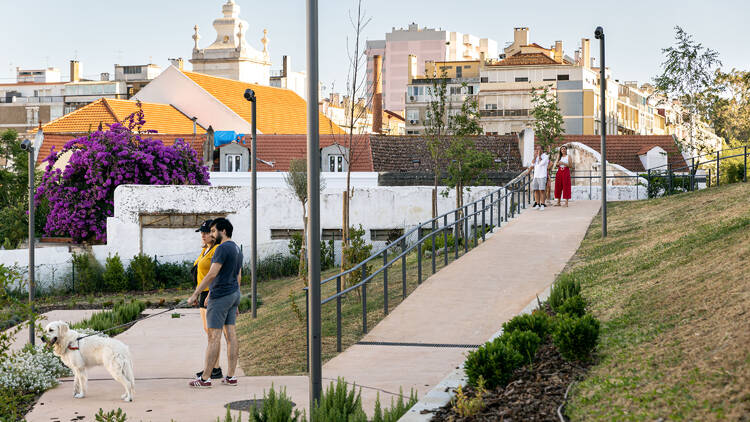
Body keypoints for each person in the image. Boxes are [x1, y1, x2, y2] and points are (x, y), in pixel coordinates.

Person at [188, 217, 243, 388]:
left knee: (213, 337)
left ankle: (205, 378)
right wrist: (237, 298)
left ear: (223, 231)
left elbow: (211, 274)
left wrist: (195, 294)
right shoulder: (236, 248)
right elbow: (238, 275)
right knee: (231, 336)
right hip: (233, 294)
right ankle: (231, 377)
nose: (211, 234)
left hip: (220, 296)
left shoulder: (221, 249)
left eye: (213, 231)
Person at [192, 219, 222, 380]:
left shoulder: (216, 250)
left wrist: (210, 293)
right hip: (203, 293)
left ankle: (214, 369)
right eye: (201, 232)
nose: (203, 235)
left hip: (210, 293)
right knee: (209, 333)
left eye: (206, 232)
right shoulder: (205, 249)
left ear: (213, 233)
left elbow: (216, 273)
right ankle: (214, 367)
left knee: (212, 334)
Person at [529, 145, 549, 210]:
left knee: (542, 190)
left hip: (542, 175)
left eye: (539, 149)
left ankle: (542, 204)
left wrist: (539, 156)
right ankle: (537, 204)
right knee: (536, 190)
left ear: (542, 150)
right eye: (536, 149)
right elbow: (532, 164)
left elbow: (541, 164)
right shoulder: (536, 157)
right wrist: (535, 158)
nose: (537, 150)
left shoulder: (546, 156)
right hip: (536, 176)